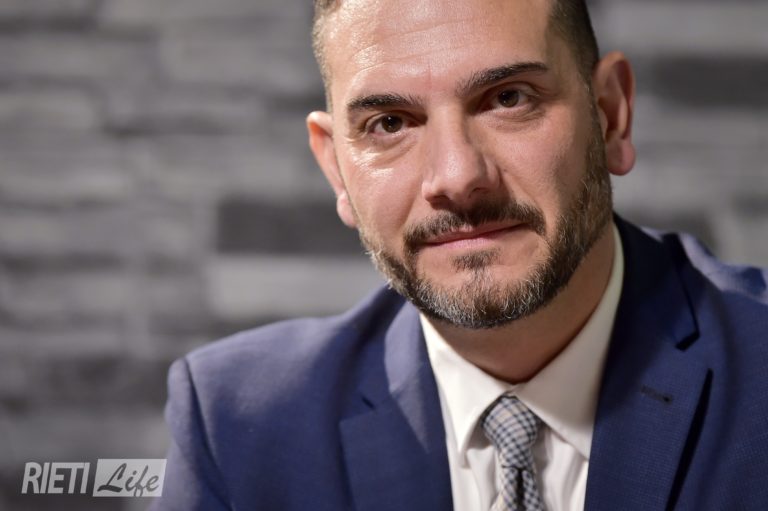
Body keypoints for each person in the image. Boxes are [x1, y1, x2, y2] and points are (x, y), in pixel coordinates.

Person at [152, 0, 768, 510]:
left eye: (508, 99)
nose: (456, 177)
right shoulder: (237, 429)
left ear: (610, 115)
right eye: (390, 123)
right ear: (336, 167)